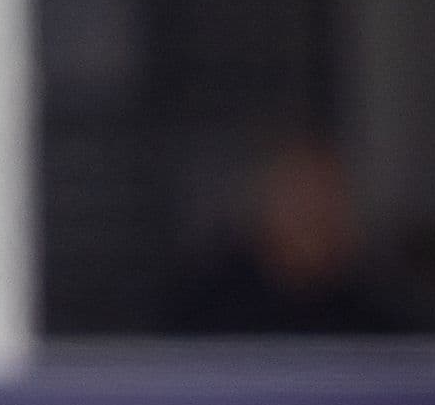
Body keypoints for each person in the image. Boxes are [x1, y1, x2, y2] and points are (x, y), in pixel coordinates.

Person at [169, 133, 417, 335]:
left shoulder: (377, 319)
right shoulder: (207, 310)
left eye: (328, 196)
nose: (315, 214)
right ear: (263, 207)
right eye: (298, 198)